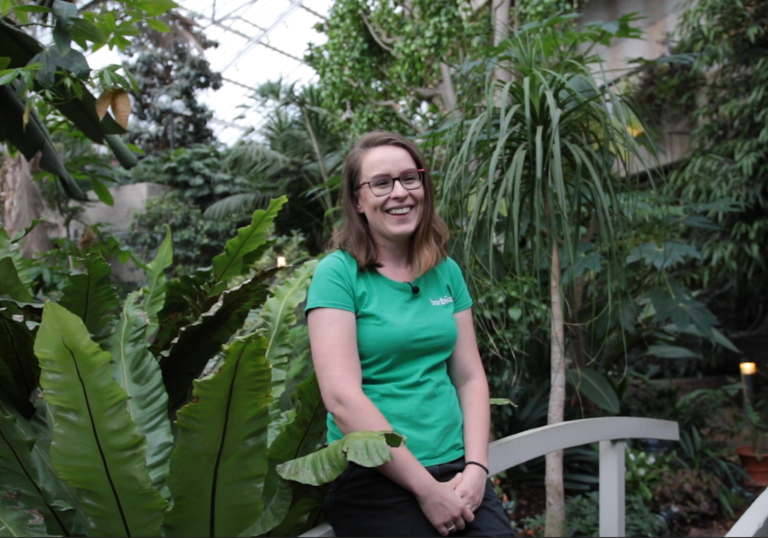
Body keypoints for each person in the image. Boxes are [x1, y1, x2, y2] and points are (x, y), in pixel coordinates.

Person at [305, 131, 512, 537]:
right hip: (375, 474)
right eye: (381, 183)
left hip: (457, 468)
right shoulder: (338, 274)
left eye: (409, 178)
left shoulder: (446, 272)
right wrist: (425, 490)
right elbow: (342, 399)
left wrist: (476, 468)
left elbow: (469, 377)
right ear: (358, 200)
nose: (399, 193)